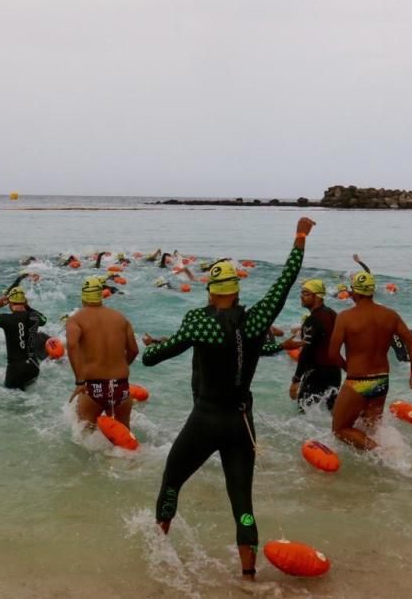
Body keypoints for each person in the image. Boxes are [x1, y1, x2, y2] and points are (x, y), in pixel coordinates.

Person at [141, 217, 314, 580]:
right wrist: (299, 237)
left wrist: (152, 349)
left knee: (172, 481)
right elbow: (286, 281)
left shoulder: (198, 322)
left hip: (205, 419)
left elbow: (155, 358)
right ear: (236, 290)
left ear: (210, 290)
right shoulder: (254, 321)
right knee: (242, 503)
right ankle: (248, 577)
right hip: (241, 422)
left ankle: (159, 551)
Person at [328, 269, 412, 450]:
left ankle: (381, 453)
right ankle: (378, 468)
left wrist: (349, 369)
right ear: (372, 291)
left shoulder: (345, 317)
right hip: (381, 380)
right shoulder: (390, 315)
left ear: (354, 292)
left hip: (359, 381)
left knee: (340, 429)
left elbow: (332, 354)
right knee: (371, 428)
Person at [66, 276, 139, 427]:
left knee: (85, 436)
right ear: (101, 295)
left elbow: (72, 346)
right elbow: (133, 350)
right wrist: (119, 366)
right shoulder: (121, 318)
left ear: (83, 296)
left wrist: (80, 381)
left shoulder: (76, 320)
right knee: (124, 439)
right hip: (121, 386)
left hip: (94, 387)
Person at [0, 286, 48, 389]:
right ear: (24, 302)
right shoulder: (34, 316)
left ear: (10, 304)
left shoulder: (5, 318)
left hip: (16, 369)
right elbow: (44, 319)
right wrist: (28, 307)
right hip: (33, 366)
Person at [288, 279, 342, 410]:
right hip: (335, 373)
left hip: (317, 374)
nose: (301, 296)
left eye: (306, 293)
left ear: (317, 296)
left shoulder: (312, 320)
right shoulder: (332, 314)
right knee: (329, 413)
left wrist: (296, 379)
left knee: (304, 412)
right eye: (302, 293)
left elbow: (307, 351)